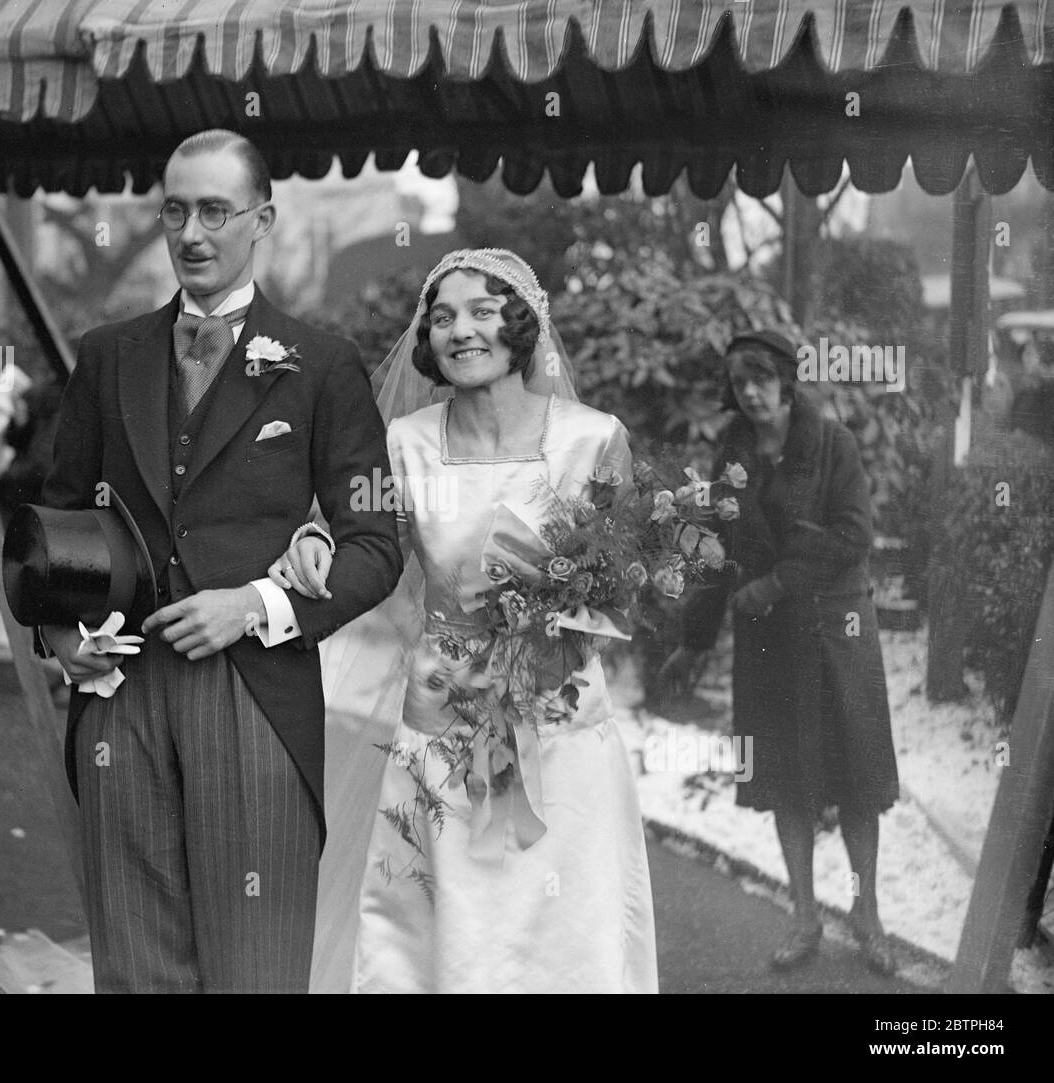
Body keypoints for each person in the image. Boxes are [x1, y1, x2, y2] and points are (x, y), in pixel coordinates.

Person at [34, 129, 402, 993]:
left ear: (261, 219)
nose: (191, 233)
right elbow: (54, 526)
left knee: (255, 968)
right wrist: (59, 635)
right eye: (175, 209)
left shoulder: (322, 365)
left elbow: (377, 544)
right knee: (133, 961)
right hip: (121, 697)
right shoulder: (108, 354)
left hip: (254, 697)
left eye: (214, 210)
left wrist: (256, 606)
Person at [270, 249, 658, 993]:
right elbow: (356, 531)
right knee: (445, 935)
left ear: (522, 324)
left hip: (561, 733)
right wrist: (314, 540)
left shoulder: (593, 438)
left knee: (567, 934)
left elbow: (627, 586)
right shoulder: (405, 443)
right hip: (441, 731)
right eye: (442, 316)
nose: (461, 330)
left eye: (483, 311)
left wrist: (553, 629)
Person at [660, 329, 900, 976]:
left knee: (855, 782)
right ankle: (804, 915)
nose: (754, 391)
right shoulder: (732, 455)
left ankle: (867, 912)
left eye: (763, 378)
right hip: (767, 642)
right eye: (742, 383)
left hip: (834, 632)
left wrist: (774, 582)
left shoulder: (832, 444)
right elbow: (714, 550)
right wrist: (695, 639)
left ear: (787, 380)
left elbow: (853, 535)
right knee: (785, 782)